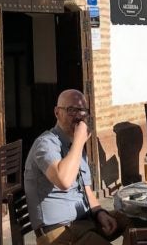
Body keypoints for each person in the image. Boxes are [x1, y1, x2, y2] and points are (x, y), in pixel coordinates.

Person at [24, 89, 128, 244]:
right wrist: (80, 140)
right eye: (71, 110)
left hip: (82, 223)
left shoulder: (75, 145)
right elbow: (64, 181)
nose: (78, 116)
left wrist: (99, 212)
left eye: (82, 110)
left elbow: (86, 189)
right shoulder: (45, 144)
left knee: (134, 219)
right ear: (57, 112)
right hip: (59, 233)